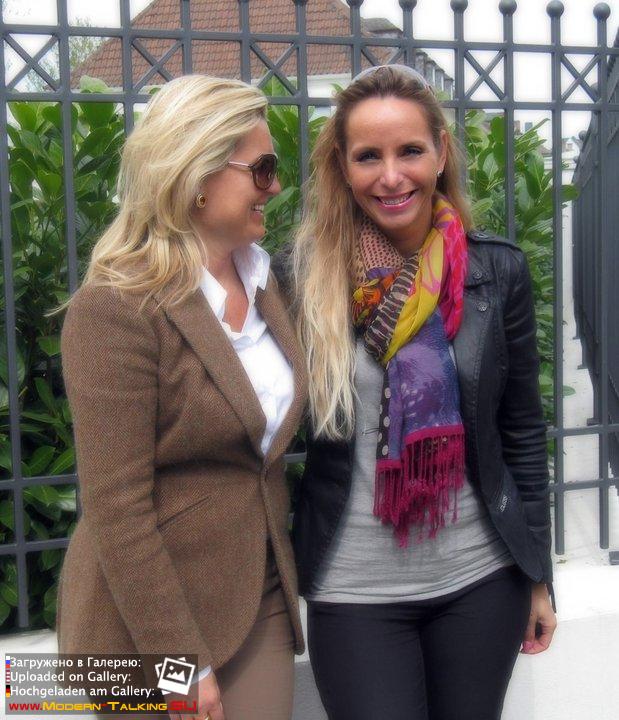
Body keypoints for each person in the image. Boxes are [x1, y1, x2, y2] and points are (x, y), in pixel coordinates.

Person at [290, 64, 557, 720]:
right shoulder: (302, 281)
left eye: (409, 150)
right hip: (353, 589)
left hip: (481, 579)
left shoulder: (496, 272)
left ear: (440, 152)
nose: (390, 176)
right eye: (367, 156)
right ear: (342, 167)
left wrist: (537, 577)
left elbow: (522, 432)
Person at [58, 74, 308, 720]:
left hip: (257, 591)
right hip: (139, 625)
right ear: (197, 174)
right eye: (261, 169)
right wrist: (179, 664)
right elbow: (116, 507)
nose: (275, 187)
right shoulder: (114, 308)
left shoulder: (269, 285)